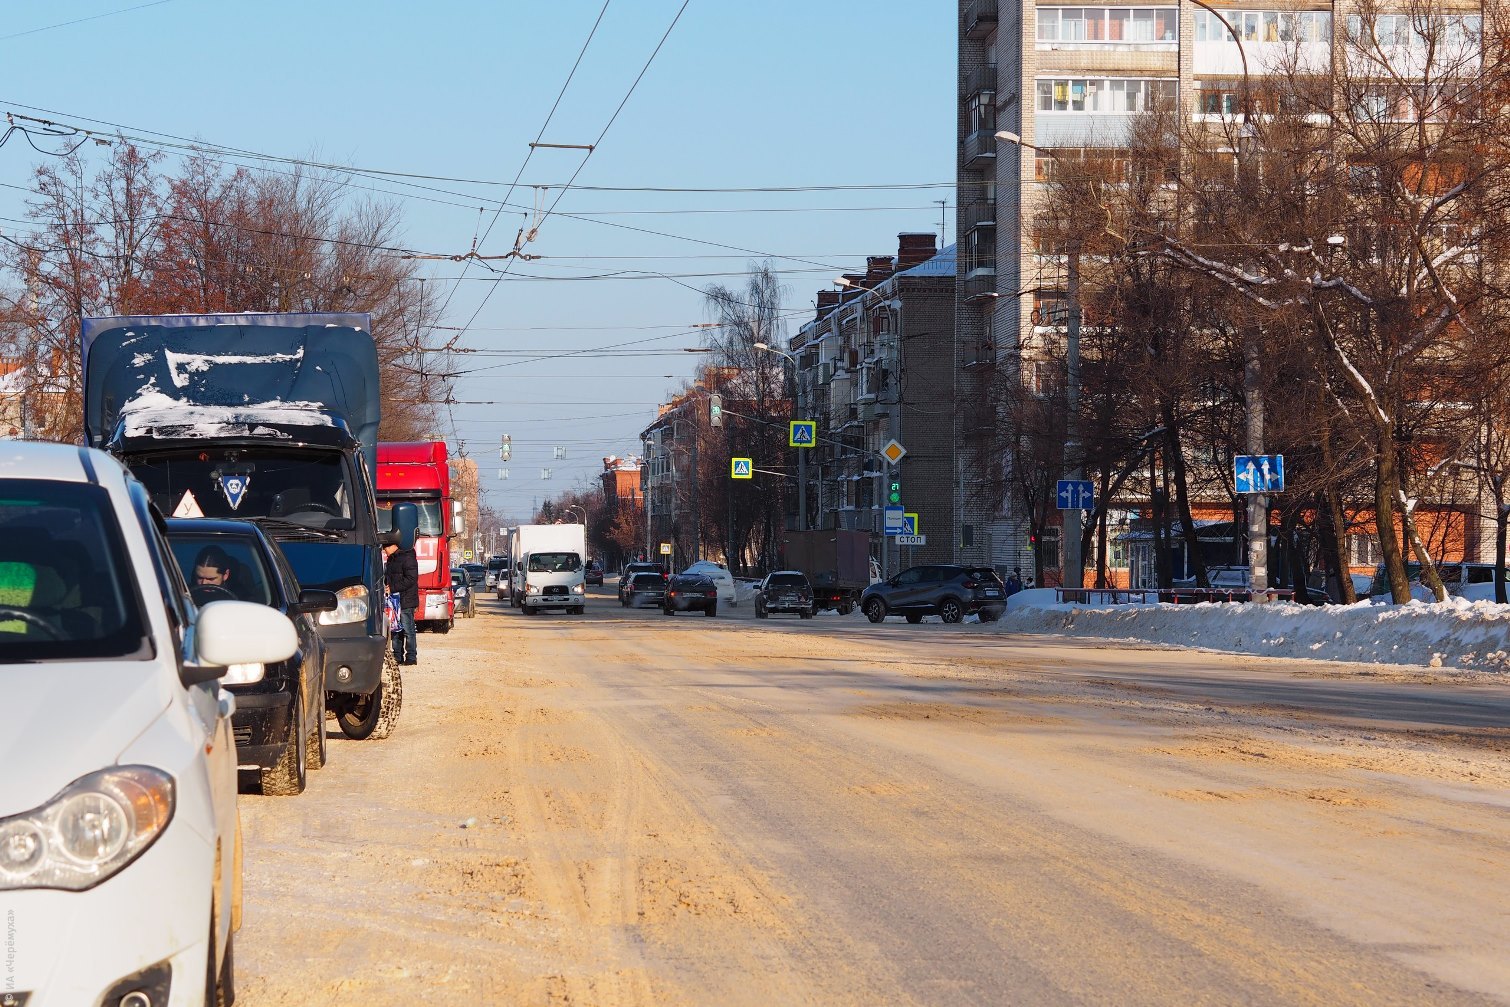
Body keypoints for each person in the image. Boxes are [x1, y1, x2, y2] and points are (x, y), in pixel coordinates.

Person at [383, 532, 420, 665]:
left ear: (393, 546)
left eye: (385, 548)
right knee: (395, 630)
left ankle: (411, 656)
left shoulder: (408, 557)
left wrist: (392, 587)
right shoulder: (391, 559)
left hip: (406, 600)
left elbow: (411, 579)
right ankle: (397, 656)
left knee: (408, 630)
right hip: (394, 602)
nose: (384, 552)